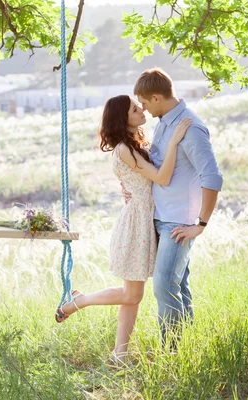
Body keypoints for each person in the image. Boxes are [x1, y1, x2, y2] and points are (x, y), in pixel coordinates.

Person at [55, 94, 192, 365]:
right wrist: (175, 141)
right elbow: (162, 177)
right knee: (133, 294)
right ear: (122, 118)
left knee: (132, 295)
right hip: (136, 223)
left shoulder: (134, 144)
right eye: (134, 109)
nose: (141, 109)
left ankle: (120, 352)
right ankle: (78, 302)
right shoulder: (123, 149)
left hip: (145, 218)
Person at [133, 68, 223, 347]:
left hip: (178, 222)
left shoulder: (190, 126)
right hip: (162, 217)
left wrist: (201, 224)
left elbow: (212, 177)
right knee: (178, 286)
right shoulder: (164, 123)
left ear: (157, 97)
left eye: (145, 103)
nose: (144, 109)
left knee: (164, 287)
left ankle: (171, 352)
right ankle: (185, 348)